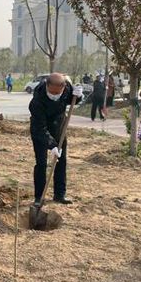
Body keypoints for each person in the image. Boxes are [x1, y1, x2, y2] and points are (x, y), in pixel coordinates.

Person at [29, 73, 83, 205]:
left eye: (57, 93)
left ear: (63, 87)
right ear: (46, 86)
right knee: (41, 163)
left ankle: (59, 194)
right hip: (40, 130)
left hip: (59, 126)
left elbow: (72, 99)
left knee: (61, 161)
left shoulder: (67, 88)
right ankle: (39, 197)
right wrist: (51, 145)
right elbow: (40, 127)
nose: (54, 96)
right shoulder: (37, 100)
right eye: (51, 93)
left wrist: (79, 96)